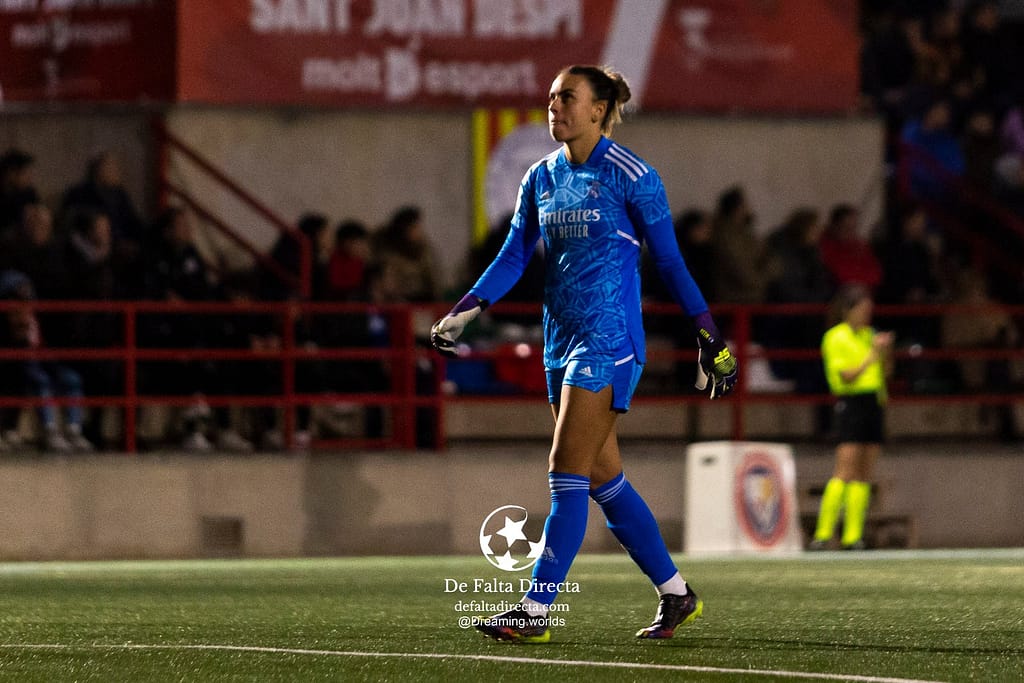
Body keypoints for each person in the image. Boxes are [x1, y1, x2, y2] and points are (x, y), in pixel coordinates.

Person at [430, 64, 738, 642]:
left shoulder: (631, 175)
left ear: (599, 110)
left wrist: (707, 332)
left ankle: (535, 609)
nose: (554, 108)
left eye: (567, 98)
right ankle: (676, 594)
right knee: (604, 478)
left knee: (564, 473)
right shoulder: (541, 177)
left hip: (609, 341)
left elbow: (669, 262)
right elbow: (515, 256)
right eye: (549, 98)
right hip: (559, 340)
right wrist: (465, 309)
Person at [810, 284, 893, 551]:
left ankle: (852, 536)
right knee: (844, 471)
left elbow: (886, 372)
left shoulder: (870, 335)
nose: (866, 316)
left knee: (865, 473)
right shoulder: (835, 337)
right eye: (862, 310)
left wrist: (886, 353)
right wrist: (872, 355)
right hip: (851, 403)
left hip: (873, 403)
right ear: (848, 310)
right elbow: (846, 375)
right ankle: (822, 535)